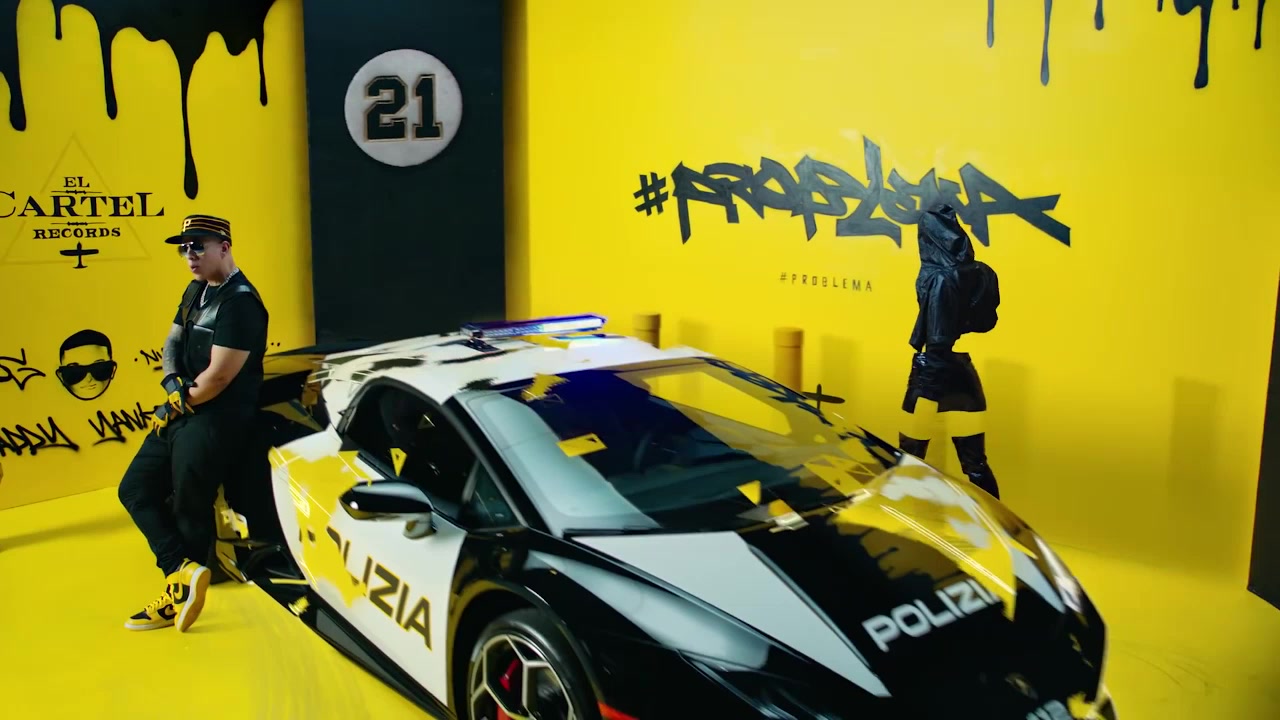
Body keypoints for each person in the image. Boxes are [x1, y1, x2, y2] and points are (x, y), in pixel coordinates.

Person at [117, 213, 269, 632]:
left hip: (216, 420)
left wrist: (174, 405)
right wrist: (171, 383)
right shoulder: (196, 289)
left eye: (198, 246)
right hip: (185, 409)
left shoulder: (241, 303)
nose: (190, 255)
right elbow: (172, 341)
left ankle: (179, 597)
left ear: (224, 246)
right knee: (134, 489)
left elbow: (218, 378)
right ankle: (181, 569)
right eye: (184, 248)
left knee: (188, 505)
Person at [898, 203, 1002, 498]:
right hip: (963, 375)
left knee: (908, 457)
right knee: (974, 461)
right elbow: (987, 320)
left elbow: (938, 338)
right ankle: (997, 519)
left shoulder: (942, 277)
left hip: (932, 370)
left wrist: (924, 382)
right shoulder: (981, 271)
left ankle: (906, 515)